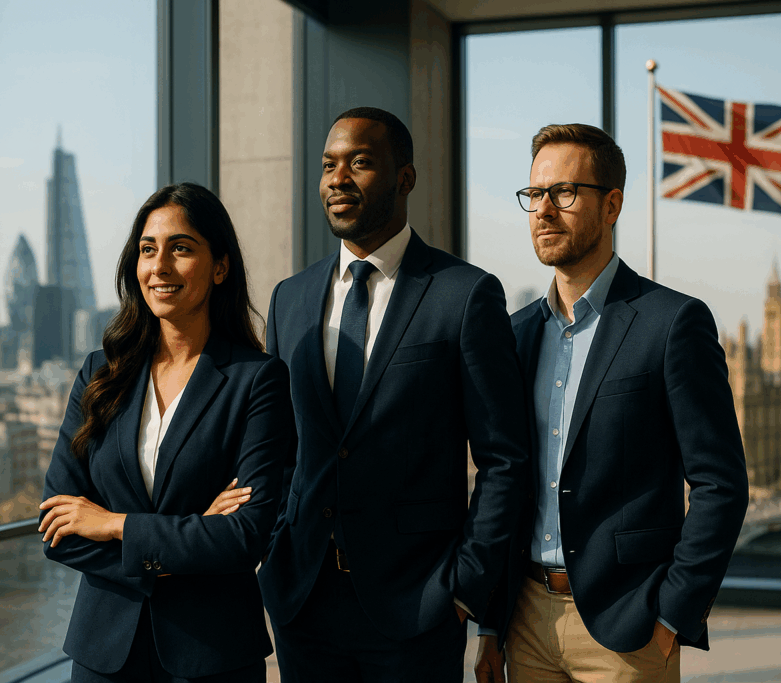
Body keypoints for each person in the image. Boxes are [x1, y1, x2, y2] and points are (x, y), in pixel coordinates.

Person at [257, 106, 529, 683]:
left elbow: (504, 458)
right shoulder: (290, 299)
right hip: (303, 605)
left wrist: (463, 588)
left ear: (405, 177)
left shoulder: (464, 294)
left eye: (359, 163)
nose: (337, 179)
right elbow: (281, 451)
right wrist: (275, 554)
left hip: (419, 608)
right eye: (329, 165)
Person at [474, 124, 750, 683]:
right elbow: (502, 478)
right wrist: (488, 621)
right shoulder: (514, 335)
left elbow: (722, 484)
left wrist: (673, 611)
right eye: (534, 195)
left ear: (612, 205)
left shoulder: (672, 324)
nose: (544, 210)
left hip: (629, 631)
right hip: (524, 623)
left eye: (565, 193)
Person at [39, 182, 295, 682]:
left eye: (181, 248)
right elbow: (58, 529)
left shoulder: (257, 380)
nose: (159, 266)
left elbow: (245, 537)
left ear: (220, 267)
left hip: (212, 655)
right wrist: (190, 537)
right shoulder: (100, 373)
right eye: (147, 250)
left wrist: (115, 524)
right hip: (103, 655)